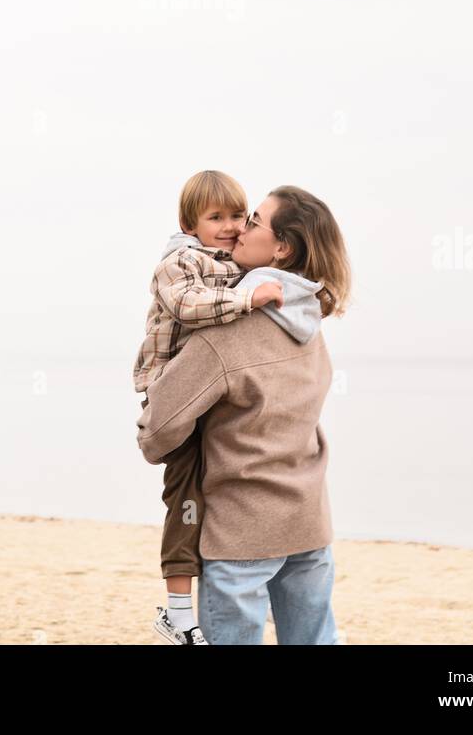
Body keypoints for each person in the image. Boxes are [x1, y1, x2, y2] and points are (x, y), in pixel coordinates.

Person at [136, 184, 351, 645]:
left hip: (241, 533)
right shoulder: (309, 324)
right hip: (309, 520)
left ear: (282, 247)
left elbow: (158, 431)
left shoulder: (226, 336)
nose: (238, 230)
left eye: (253, 221)